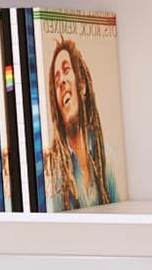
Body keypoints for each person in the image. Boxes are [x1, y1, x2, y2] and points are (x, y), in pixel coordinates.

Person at [43, 35, 119, 208]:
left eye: (66, 70)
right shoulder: (53, 172)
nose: (61, 81)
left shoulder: (106, 158)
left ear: (82, 86)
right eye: (56, 80)